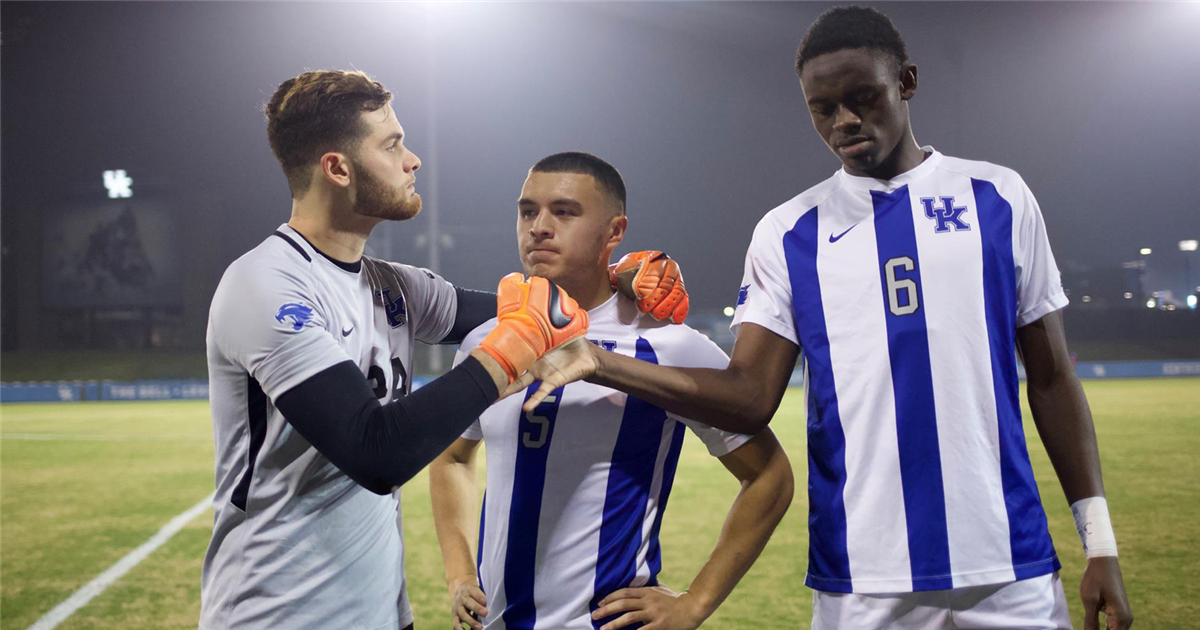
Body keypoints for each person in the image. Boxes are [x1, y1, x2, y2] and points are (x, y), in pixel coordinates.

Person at [512, 8, 1133, 630]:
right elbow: (750, 399)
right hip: (858, 581)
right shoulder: (788, 233)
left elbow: (1051, 380)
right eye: (822, 107)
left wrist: (1099, 543)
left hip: (1010, 568)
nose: (844, 122)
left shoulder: (997, 198)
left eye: (863, 98)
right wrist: (599, 358)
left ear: (907, 82)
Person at [199, 71, 687, 630]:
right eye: (392, 145)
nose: (413, 161)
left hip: (382, 613)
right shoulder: (268, 285)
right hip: (276, 615)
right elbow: (376, 454)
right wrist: (507, 353)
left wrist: (618, 274)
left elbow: (541, 306)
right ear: (337, 168)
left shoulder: (393, 286)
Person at [429, 152, 793, 630]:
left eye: (564, 211)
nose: (538, 226)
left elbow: (770, 475)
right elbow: (452, 456)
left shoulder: (668, 344)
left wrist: (695, 603)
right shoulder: (489, 338)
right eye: (527, 211)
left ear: (615, 232)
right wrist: (459, 575)